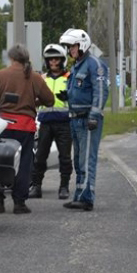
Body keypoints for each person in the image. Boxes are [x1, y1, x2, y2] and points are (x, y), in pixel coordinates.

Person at [0, 44, 55, 214]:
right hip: (24, 127)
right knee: (23, 164)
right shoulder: (34, 77)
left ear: (11, 58)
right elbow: (50, 100)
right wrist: (33, 102)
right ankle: (19, 203)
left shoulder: (0, 75)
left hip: (2, 125)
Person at [59, 28, 108, 211]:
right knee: (78, 160)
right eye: (69, 47)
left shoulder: (94, 64)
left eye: (73, 46)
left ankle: (87, 197)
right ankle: (79, 194)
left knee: (87, 160)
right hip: (75, 118)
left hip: (88, 119)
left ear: (82, 44)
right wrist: (68, 96)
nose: (71, 50)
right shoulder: (77, 65)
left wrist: (94, 115)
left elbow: (101, 90)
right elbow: (80, 89)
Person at [29, 44, 73, 200]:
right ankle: (36, 186)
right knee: (40, 156)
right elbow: (33, 98)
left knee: (65, 157)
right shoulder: (42, 79)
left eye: (56, 59)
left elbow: (77, 97)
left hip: (65, 123)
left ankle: (64, 187)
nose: (53, 62)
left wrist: (69, 97)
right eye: (50, 59)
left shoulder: (70, 77)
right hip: (45, 123)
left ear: (62, 60)